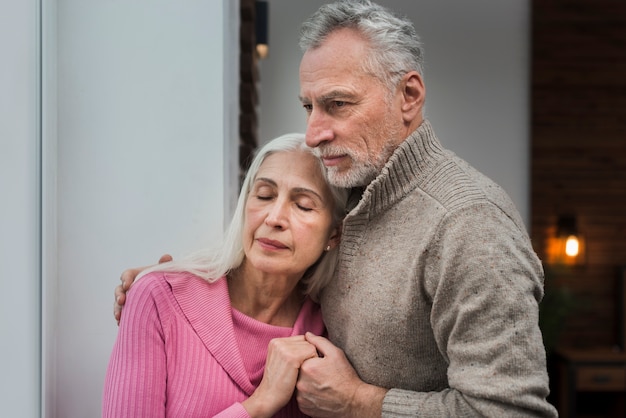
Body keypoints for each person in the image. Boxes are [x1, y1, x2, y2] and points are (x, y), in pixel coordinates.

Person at [115, 1, 558, 416]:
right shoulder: (355, 191)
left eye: (337, 105)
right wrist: (168, 290)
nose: (313, 133)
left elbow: (510, 410)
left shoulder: (468, 223)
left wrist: (360, 401)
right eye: (309, 107)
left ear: (409, 95)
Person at [103, 133, 347, 417]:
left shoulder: (332, 339)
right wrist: (260, 404)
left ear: (334, 233)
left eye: (303, 205)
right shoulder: (158, 299)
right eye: (264, 195)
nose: (274, 218)